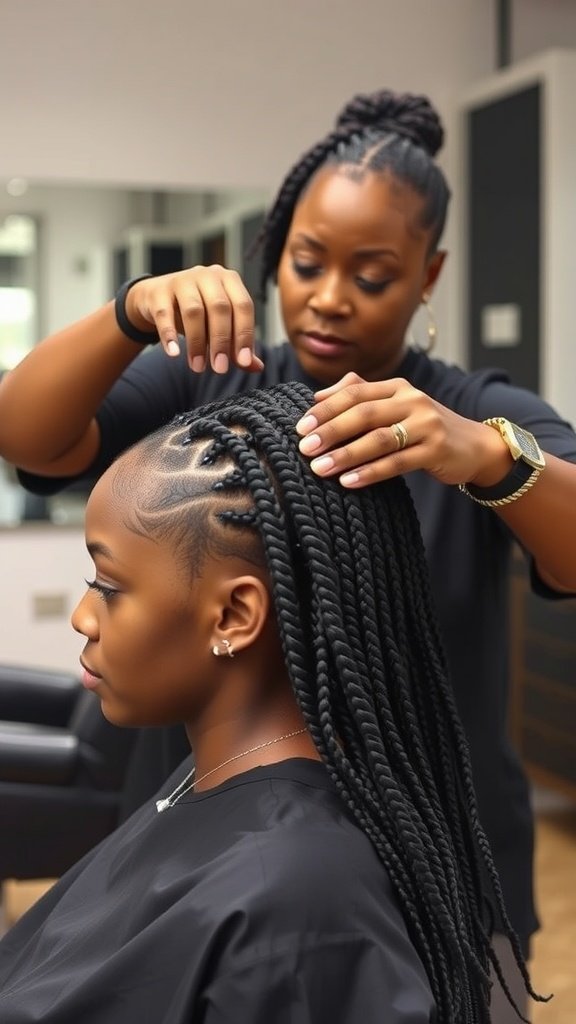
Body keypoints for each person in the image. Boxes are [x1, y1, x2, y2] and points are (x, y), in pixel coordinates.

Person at [0, 88, 574, 1020]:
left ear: (430, 276)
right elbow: (28, 436)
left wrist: (484, 450)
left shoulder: (467, 409)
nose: (329, 296)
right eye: (305, 263)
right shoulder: (214, 380)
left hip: (433, 847)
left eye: (374, 275)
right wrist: (127, 316)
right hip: (213, 830)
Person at [0, 382, 537, 1023]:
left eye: (107, 585)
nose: (84, 617)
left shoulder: (294, 904)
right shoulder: (213, 779)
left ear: (234, 614)